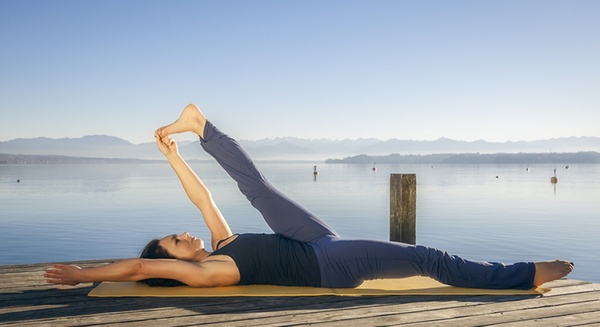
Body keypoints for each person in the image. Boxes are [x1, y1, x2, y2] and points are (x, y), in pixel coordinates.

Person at [45, 104, 574, 290]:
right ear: (170, 262)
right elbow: (138, 272)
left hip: (311, 240)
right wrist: (83, 274)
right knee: (425, 259)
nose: (184, 234)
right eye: (174, 241)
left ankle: (201, 124)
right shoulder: (207, 273)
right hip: (327, 265)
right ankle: (522, 275)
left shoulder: (220, 243)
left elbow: (204, 197)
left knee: (256, 188)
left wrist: (173, 155)